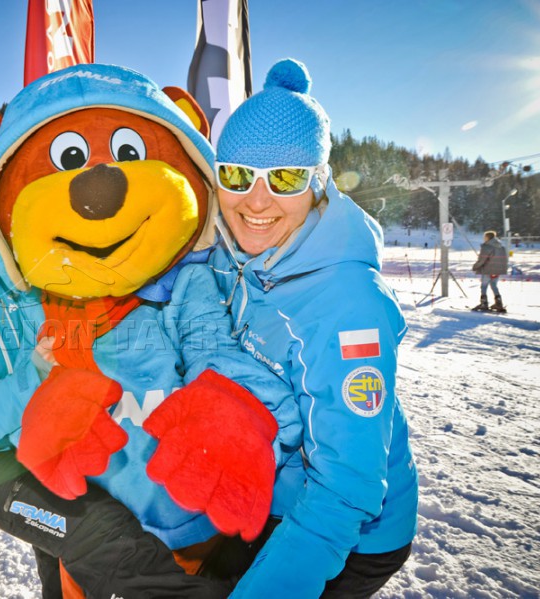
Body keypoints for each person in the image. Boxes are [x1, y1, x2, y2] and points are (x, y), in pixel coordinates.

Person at [0, 121, 232, 598]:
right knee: (102, 536)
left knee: (70, 564)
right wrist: (32, 384)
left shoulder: (16, 251)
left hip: (67, 433)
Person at [209, 59, 419, 598]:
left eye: (285, 178)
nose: (256, 200)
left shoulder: (349, 306)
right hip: (270, 500)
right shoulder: (236, 253)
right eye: (236, 175)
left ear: (318, 185)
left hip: (350, 535)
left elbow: (346, 488)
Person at [471, 230, 508, 312]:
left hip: (488, 270)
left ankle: (484, 303)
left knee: (484, 286)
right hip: (498, 270)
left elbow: (482, 260)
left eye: (484, 237)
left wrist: (475, 267)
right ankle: (498, 303)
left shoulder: (486, 247)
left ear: (487, 237)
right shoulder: (501, 247)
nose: (484, 238)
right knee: (494, 285)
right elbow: (504, 259)